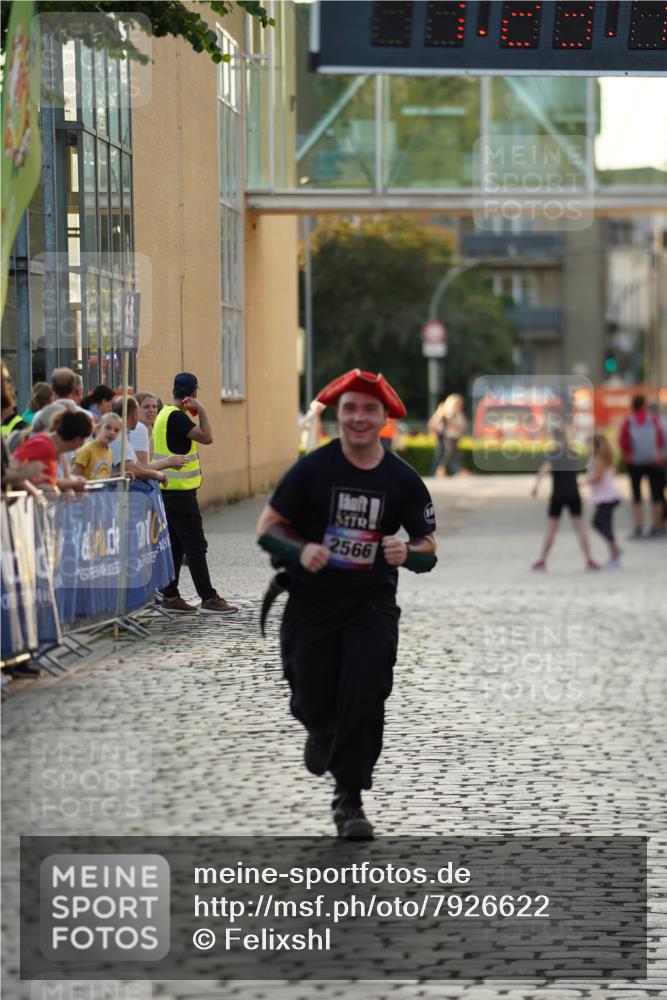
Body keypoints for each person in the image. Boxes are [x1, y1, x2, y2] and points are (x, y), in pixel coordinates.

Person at [256, 369, 437, 840]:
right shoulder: (313, 469)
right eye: (351, 409)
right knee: (312, 695)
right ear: (339, 414)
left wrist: (407, 552)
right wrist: (301, 550)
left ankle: (349, 798)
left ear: (384, 417)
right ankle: (320, 730)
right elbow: (268, 527)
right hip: (312, 599)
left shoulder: (402, 479)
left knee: (366, 693)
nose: (359, 418)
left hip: (370, 602)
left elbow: (428, 547)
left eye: (369, 410)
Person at [152, 372, 238, 615]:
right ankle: (208, 598)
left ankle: (170, 595)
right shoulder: (177, 417)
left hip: (166, 491)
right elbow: (207, 438)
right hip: (180, 495)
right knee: (195, 546)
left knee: (177, 546)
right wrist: (201, 410)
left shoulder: (164, 414)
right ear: (193, 393)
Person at [531, 427, 600, 571]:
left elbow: (543, 470)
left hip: (558, 494)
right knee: (580, 528)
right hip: (574, 493)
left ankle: (542, 560)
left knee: (551, 529)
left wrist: (536, 486)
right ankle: (589, 559)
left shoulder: (553, 454)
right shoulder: (573, 453)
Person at [619, 394, 665, 539]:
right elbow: (660, 438)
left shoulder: (629, 420)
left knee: (637, 496)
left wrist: (629, 455)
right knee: (656, 495)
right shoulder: (653, 419)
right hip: (654, 462)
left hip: (635, 462)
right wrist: (659, 454)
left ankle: (638, 528)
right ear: (644, 404)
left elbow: (623, 441)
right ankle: (657, 527)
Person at [12, 409, 93, 492]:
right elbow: (11, 470)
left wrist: (76, 482)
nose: (83, 444)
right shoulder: (43, 445)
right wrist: (74, 484)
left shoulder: (53, 449)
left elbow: (51, 481)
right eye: (84, 439)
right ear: (77, 439)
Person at [110, 396, 167, 485]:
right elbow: (131, 468)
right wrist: (156, 474)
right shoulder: (118, 438)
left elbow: (137, 465)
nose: (152, 410)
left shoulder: (123, 436)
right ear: (133, 415)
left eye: (154, 407)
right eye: (137, 413)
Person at [587, 434, 623, 568]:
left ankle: (615, 553)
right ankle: (615, 549)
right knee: (600, 524)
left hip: (607, 497)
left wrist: (584, 482)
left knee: (602, 524)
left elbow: (598, 477)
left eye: (589, 445)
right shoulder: (604, 459)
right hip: (606, 496)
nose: (587, 448)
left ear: (596, 446)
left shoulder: (599, 460)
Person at [71, 412, 121, 480]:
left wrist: (118, 476)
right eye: (108, 427)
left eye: (116, 430)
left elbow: (102, 478)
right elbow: (73, 477)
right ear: (98, 429)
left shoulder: (109, 452)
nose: (112, 432)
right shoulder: (87, 450)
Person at [428, 394, 467, 477]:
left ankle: (454, 470)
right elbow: (433, 425)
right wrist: (435, 435)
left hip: (455, 437)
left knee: (454, 454)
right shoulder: (445, 413)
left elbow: (463, 425)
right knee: (446, 454)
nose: (460, 406)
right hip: (446, 438)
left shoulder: (459, 414)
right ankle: (440, 470)